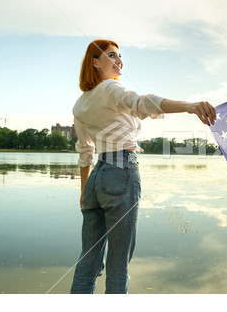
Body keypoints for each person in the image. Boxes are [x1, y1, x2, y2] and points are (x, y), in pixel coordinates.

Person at [70, 39, 216, 294]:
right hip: (120, 170)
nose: (119, 61)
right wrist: (189, 106)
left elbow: (86, 150)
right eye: (112, 56)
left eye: (120, 56)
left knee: (88, 260)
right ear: (95, 63)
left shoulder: (80, 104)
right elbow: (142, 102)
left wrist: (84, 192)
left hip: (96, 178)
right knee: (118, 263)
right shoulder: (110, 89)